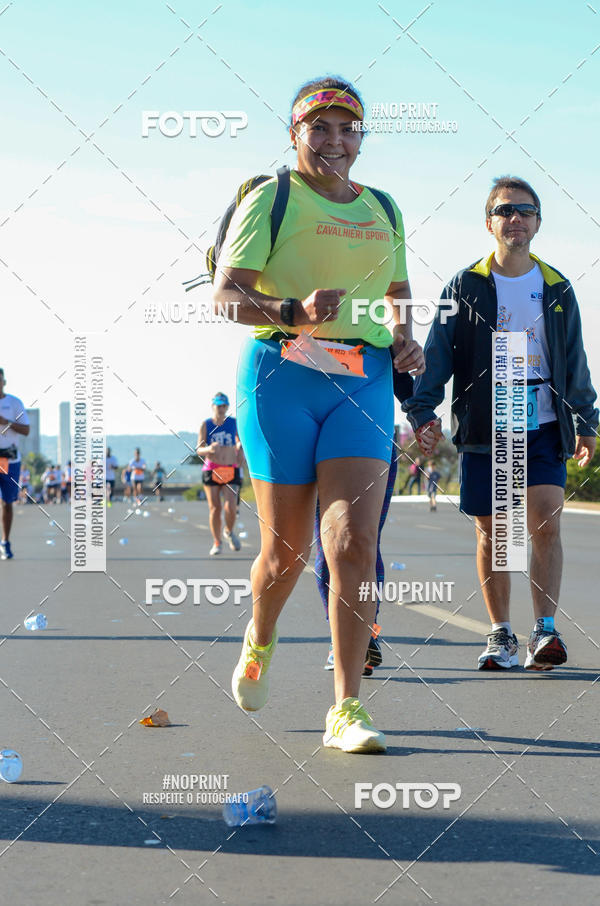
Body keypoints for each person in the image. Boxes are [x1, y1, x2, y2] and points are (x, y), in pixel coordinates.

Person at [213, 76, 424, 753]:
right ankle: (260, 637)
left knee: (353, 541)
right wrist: (290, 311)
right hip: (281, 374)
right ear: (296, 134)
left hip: (361, 379)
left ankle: (347, 709)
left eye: (348, 128)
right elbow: (225, 295)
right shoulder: (271, 199)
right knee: (286, 551)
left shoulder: (383, 207)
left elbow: (397, 288)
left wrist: (406, 334)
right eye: (321, 128)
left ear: (362, 136)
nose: (336, 141)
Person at [404, 175, 598, 672]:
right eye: (505, 210)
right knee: (496, 534)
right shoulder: (465, 284)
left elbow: (574, 358)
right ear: (488, 222)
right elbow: (438, 354)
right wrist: (423, 411)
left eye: (526, 211)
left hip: (542, 418)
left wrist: (586, 420)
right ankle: (501, 634)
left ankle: (545, 631)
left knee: (545, 521)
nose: (516, 218)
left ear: (538, 221)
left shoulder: (555, 286)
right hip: (487, 420)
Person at [317, 369, 414, 675]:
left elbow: (404, 378)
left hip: (373, 438)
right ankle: (352, 635)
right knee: (335, 547)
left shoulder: (376, 331)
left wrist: (423, 412)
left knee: (357, 544)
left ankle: (360, 634)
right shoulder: (308, 328)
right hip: (316, 436)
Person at [196, 393, 243, 555]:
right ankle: (217, 542)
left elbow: (240, 440)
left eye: (224, 406)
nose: (221, 409)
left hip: (230, 467)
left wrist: (239, 447)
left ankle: (228, 531)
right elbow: (199, 449)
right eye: (218, 406)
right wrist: (209, 449)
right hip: (212, 468)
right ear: (213, 406)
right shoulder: (206, 425)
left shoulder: (233, 423)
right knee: (215, 508)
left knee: (231, 506)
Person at [0, 368, 30, 559]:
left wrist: (6, 422)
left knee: (6, 502)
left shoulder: (14, 403)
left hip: (7, 459)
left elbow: (26, 430)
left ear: (4, 381)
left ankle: (5, 542)